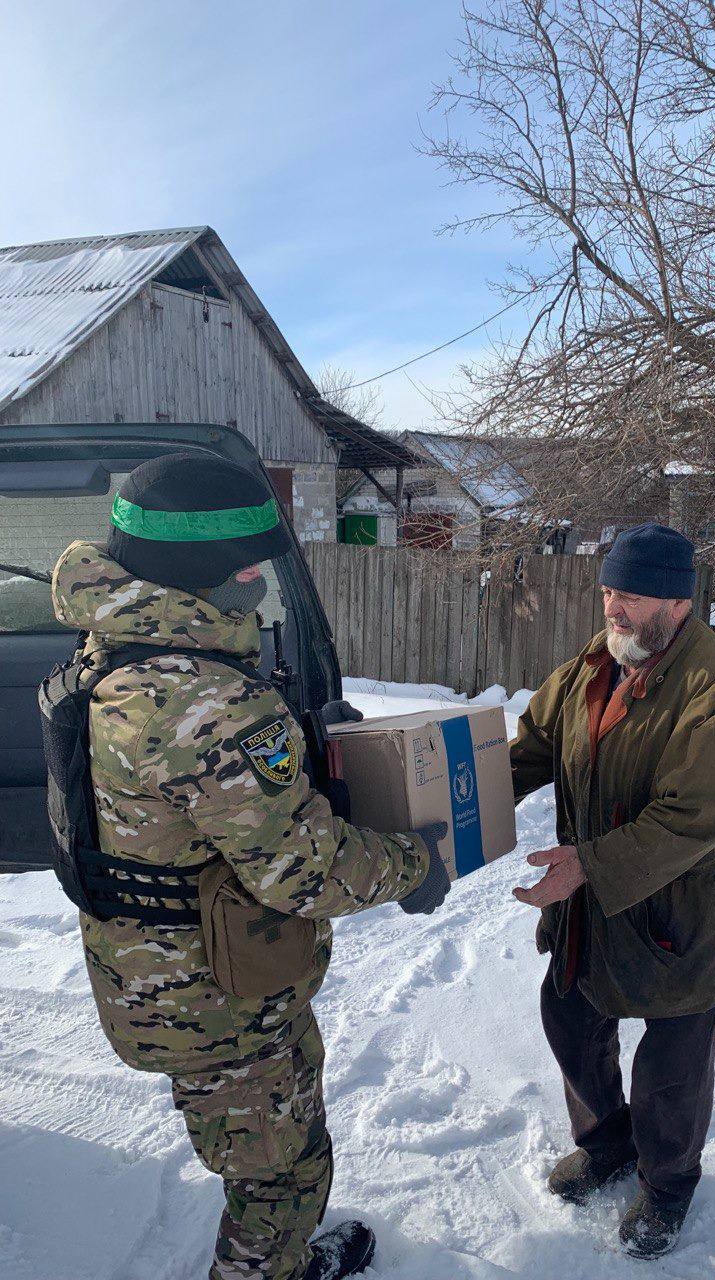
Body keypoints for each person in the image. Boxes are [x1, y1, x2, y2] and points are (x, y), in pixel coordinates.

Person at [48, 453, 451, 1280]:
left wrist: (301, 743)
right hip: (221, 999)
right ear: (197, 573)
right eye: (242, 566)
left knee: (257, 1154)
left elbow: (185, 805)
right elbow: (304, 874)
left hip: (151, 973)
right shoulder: (206, 700)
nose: (255, 585)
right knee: (281, 1177)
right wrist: (417, 861)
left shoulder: (115, 651)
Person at [510, 523, 715, 1259]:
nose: (613, 608)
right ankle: (607, 1144)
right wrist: (453, 792)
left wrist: (586, 864)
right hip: (596, 907)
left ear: (679, 603)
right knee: (569, 1018)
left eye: (632, 595)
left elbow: (692, 817)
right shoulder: (595, 662)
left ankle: (668, 1185)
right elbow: (532, 746)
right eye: (609, 590)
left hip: (683, 915)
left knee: (671, 1074)